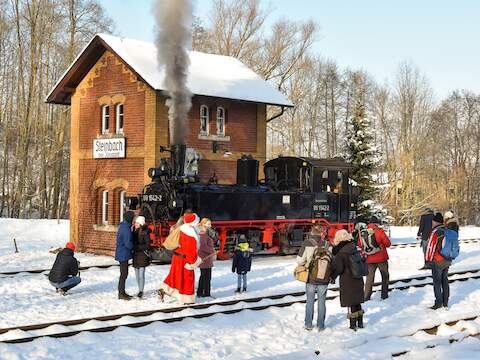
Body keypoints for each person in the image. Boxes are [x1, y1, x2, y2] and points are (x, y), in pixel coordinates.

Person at [159, 213, 202, 304]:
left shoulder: (180, 229)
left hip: (177, 257)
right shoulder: (190, 234)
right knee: (187, 279)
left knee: (174, 276)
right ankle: (187, 299)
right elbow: (190, 251)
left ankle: (164, 289)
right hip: (184, 260)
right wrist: (193, 262)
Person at [296, 225, 332, 331]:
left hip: (310, 277)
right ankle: (321, 325)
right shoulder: (327, 244)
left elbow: (299, 261)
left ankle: (308, 324)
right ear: (321, 233)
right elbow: (331, 260)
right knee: (322, 302)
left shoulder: (307, 243)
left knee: (310, 301)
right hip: (324, 278)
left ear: (311, 233)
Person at [331, 229, 365, 331]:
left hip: (347, 280)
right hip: (357, 278)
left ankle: (353, 325)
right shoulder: (354, 248)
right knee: (357, 301)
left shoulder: (341, 253)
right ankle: (360, 323)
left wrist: (332, 276)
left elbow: (338, 268)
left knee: (351, 303)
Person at [425, 212, 452, 309]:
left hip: (438, 260)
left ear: (435, 222)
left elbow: (430, 247)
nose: (432, 222)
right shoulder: (448, 230)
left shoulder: (435, 232)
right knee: (445, 280)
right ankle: (445, 302)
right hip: (447, 260)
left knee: (437, 282)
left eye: (433, 221)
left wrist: (428, 260)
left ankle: (438, 303)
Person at [363, 216, 391, 301]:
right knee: (385, 276)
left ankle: (366, 296)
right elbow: (388, 243)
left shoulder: (364, 232)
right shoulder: (379, 231)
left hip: (370, 258)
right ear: (376, 223)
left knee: (369, 278)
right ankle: (384, 295)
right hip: (381, 258)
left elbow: (360, 244)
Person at [115, 211, 135, 300]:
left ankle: (122, 292)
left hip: (122, 253)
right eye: (133, 218)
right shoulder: (126, 228)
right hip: (123, 254)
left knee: (123, 274)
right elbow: (128, 243)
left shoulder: (123, 226)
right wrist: (134, 247)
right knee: (124, 274)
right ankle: (121, 293)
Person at [133, 215, 151, 299]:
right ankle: (139, 289)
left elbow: (147, 245)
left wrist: (137, 247)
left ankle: (141, 291)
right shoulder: (134, 230)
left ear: (140, 223)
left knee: (141, 274)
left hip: (142, 255)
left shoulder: (145, 232)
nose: (135, 223)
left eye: (137, 222)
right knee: (136, 274)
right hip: (136, 255)